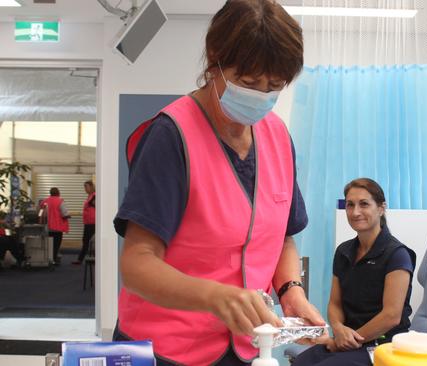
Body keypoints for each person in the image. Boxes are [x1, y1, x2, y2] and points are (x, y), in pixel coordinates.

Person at [112, 1, 325, 365]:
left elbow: (282, 236)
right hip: (169, 347)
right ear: (215, 61)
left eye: (273, 86)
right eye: (248, 82)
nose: (260, 96)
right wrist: (215, 296)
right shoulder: (171, 136)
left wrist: (290, 290)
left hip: (247, 344)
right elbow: (137, 263)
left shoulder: (277, 137)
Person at [293, 178, 416, 366]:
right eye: (350, 205)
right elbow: (335, 303)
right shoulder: (344, 252)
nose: (355, 212)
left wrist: (348, 341)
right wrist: (338, 328)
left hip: (382, 345)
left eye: (364, 204)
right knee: (301, 363)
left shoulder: (397, 255)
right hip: (347, 340)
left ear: (381, 208)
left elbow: (391, 316)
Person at [40, 187, 70, 264]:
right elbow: (64, 214)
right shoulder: (60, 201)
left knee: (49, 244)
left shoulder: (44, 201)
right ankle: (53, 259)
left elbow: (40, 212)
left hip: (47, 227)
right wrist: (68, 216)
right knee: (56, 245)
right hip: (57, 227)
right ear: (58, 193)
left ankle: (47, 258)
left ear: (50, 193)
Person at [73, 180, 95, 265]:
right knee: (86, 241)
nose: (85, 189)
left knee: (86, 241)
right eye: (84, 187)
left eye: (86, 187)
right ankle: (82, 259)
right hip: (88, 222)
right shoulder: (90, 196)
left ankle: (80, 259)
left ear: (91, 186)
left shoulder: (94, 196)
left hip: (92, 222)